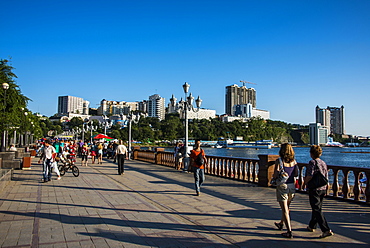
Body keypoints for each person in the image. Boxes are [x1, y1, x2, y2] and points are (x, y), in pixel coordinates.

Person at [304, 145, 334, 238]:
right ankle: (312, 225)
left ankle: (326, 229)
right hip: (323, 187)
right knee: (317, 207)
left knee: (317, 209)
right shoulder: (323, 163)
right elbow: (326, 175)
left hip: (315, 188)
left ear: (311, 153)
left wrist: (305, 183)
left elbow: (310, 175)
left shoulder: (312, 162)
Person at [272, 143, 298, 239]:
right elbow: (295, 174)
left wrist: (276, 175)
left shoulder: (279, 161)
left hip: (282, 186)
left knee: (285, 210)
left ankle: (289, 231)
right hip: (292, 186)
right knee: (287, 207)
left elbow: (275, 175)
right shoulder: (294, 162)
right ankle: (281, 223)